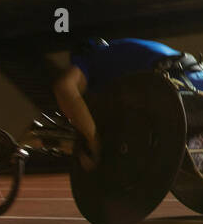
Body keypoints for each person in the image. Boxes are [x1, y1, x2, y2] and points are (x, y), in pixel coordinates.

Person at [53, 37, 173, 171]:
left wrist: (94, 144)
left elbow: (64, 88)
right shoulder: (120, 53)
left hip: (169, 83)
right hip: (194, 77)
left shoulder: (90, 58)